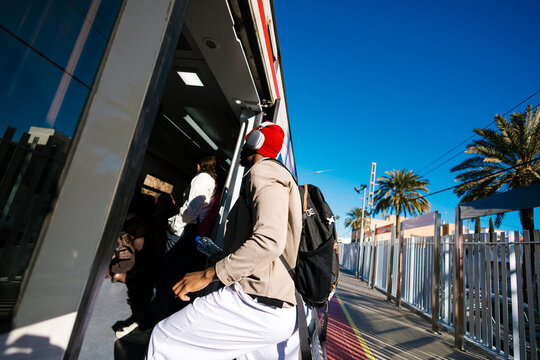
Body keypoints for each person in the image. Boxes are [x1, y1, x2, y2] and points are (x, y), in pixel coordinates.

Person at [146, 122, 305, 360]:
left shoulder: (264, 172)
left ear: (256, 142)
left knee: (165, 339)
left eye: (248, 140)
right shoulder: (277, 177)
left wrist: (208, 274)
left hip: (256, 302)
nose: (242, 147)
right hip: (273, 307)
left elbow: (270, 240)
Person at [116, 155, 218, 343]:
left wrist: (173, 225)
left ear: (199, 164)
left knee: (166, 279)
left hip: (183, 231)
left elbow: (190, 210)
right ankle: (158, 325)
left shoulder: (201, 178)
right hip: (191, 234)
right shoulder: (212, 181)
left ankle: (146, 326)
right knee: (173, 280)